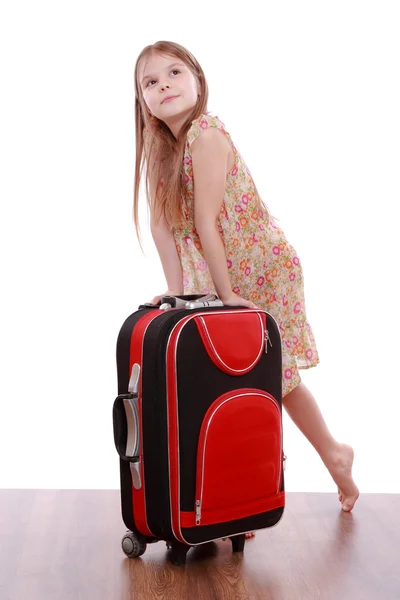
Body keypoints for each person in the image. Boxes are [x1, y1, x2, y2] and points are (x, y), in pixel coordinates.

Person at [132, 41, 359, 537]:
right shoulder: (158, 146)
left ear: (197, 77)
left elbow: (205, 221)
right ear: (142, 100)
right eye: (151, 82)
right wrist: (177, 295)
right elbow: (162, 227)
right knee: (243, 379)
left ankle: (266, 485)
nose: (164, 84)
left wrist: (227, 295)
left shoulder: (207, 135)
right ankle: (265, 482)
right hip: (214, 272)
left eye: (174, 72)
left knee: (265, 377)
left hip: (256, 266)